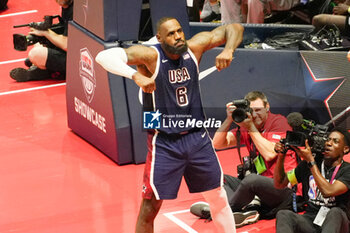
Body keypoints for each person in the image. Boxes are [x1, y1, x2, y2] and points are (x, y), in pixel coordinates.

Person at [95, 17, 244, 233]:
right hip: (165, 141)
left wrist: (228, 49)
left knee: (218, 197)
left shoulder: (194, 47)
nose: (177, 37)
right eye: (171, 34)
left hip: (197, 138)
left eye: (179, 31)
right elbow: (103, 56)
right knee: (149, 208)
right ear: (159, 38)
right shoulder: (150, 56)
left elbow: (235, 27)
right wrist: (135, 75)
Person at [190, 91, 302, 228]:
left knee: (251, 180)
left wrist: (251, 128)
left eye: (258, 110)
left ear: (267, 107)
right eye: (251, 111)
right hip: (262, 190)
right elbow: (217, 144)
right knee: (217, 176)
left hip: (285, 189)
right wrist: (229, 119)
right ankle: (246, 211)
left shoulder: (279, 123)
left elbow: (269, 154)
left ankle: (223, 211)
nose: (254, 115)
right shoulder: (249, 125)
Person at [274, 127, 350, 233]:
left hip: (337, 224)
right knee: (283, 214)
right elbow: (280, 184)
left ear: (345, 149)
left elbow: (328, 191)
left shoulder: (347, 170)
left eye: (335, 141)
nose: (329, 143)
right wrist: (281, 155)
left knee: (335, 212)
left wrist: (310, 161)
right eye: (328, 140)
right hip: (311, 221)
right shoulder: (309, 164)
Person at [9, 0, 73, 82]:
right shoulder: (66, 7)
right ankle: (45, 69)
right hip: (69, 51)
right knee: (37, 44)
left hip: (76, 59)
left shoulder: (76, 10)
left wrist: (46, 32)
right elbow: (65, 29)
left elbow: (67, 45)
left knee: (35, 54)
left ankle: (46, 71)